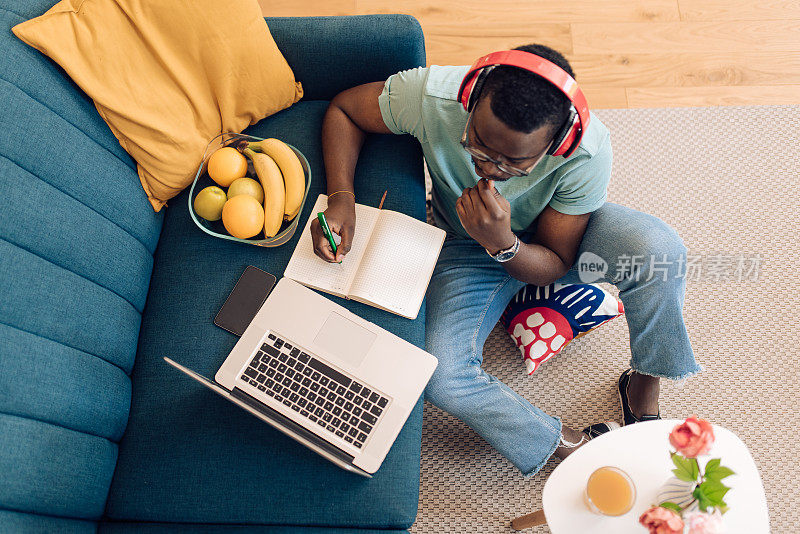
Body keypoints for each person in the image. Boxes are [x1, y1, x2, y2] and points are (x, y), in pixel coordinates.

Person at [310, 44, 701, 477]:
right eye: (477, 143)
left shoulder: (587, 151)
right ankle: (562, 440)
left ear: (557, 143)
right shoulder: (431, 97)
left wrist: (503, 243)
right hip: (467, 248)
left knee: (660, 252)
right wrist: (341, 198)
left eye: (513, 162)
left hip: (561, 236)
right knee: (441, 374)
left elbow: (555, 258)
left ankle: (643, 381)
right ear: (470, 100)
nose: (488, 169)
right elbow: (344, 110)